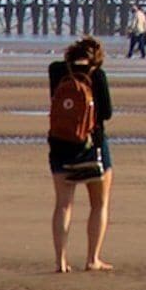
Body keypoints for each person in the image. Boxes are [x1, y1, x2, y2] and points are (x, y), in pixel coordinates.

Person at [45, 36, 116, 273]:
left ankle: (60, 262)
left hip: (60, 146)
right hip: (91, 147)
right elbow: (106, 113)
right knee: (99, 204)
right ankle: (92, 259)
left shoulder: (56, 70)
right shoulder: (97, 75)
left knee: (63, 205)